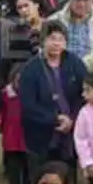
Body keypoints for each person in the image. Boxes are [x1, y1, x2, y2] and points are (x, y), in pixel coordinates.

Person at [18, 22, 87, 174]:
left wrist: (72, 119)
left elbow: (84, 95)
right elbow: (28, 104)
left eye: (61, 39)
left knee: (67, 176)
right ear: (43, 41)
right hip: (41, 135)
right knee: (42, 176)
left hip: (70, 132)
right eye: (52, 38)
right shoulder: (31, 69)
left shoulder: (75, 63)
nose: (56, 43)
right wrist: (54, 119)